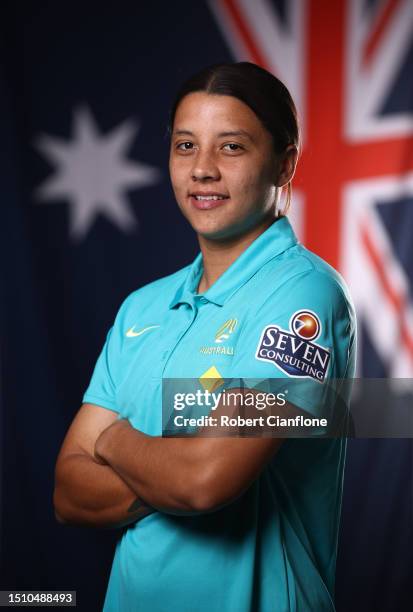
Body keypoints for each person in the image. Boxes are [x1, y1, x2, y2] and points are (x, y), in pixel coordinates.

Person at [53, 62, 356, 612]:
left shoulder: (305, 297)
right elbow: (69, 493)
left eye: (232, 147)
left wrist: (113, 440)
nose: (203, 170)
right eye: (186, 145)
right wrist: (177, 464)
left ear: (285, 163)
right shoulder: (141, 308)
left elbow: (205, 481)